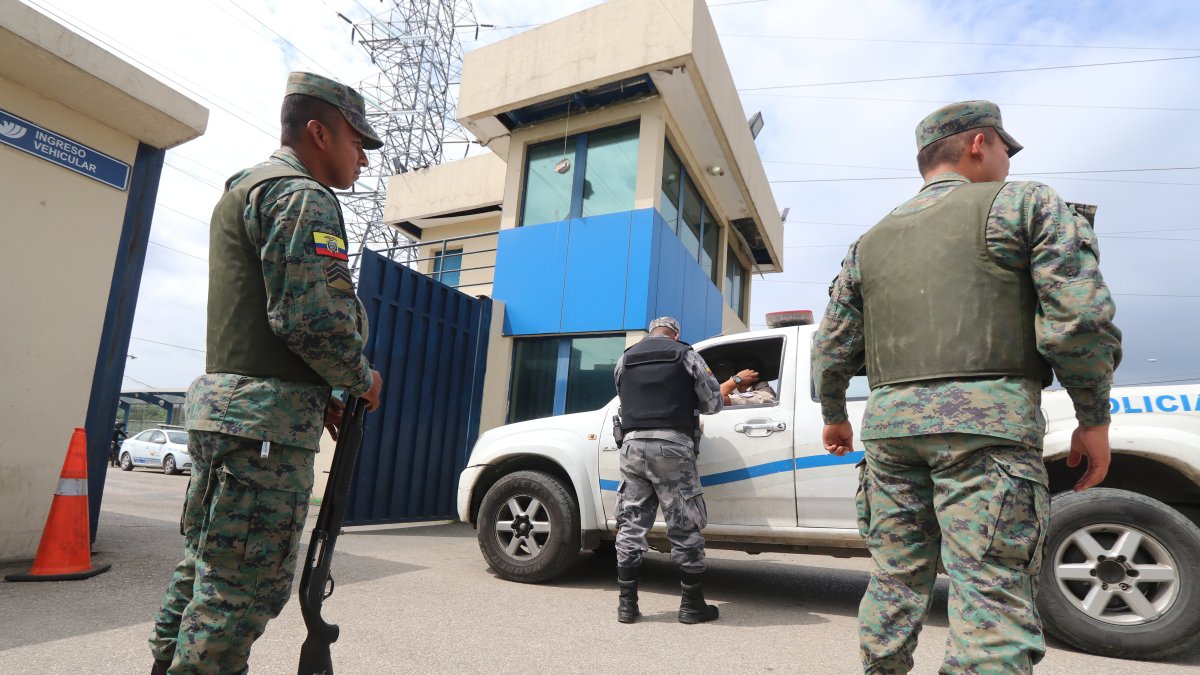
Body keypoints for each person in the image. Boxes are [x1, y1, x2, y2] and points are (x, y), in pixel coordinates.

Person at [812, 100, 1121, 673]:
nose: (1007, 160)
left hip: (890, 432)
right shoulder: (1026, 203)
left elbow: (831, 346)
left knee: (894, 578)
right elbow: (1079, 321)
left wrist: (834, 412)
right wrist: (1093, 417)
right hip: (987, 429)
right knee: (991, 592)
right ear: (979, 142)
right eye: (1005, 147)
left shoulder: (868, 242)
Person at [148, 72, 385, 675]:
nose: (362, 157)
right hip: (262, 433)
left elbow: (266, 321)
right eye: (356, 141)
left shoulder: (245, 190)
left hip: (232, 416)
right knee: (239, 593)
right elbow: (309, 318)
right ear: (317, 132)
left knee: (206, 569)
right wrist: (360, 378)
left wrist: (318, 394)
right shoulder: (302, 196)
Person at [612, 317, 723, 624]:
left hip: (631, 447)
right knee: (684, 523)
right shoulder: (685, 354)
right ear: (676, 334)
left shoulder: (625, 359)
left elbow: (625, 400)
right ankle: (691, 606)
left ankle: (627, 606)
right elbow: (714, 403)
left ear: (650, 333)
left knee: (631, 523)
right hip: (672, 446)